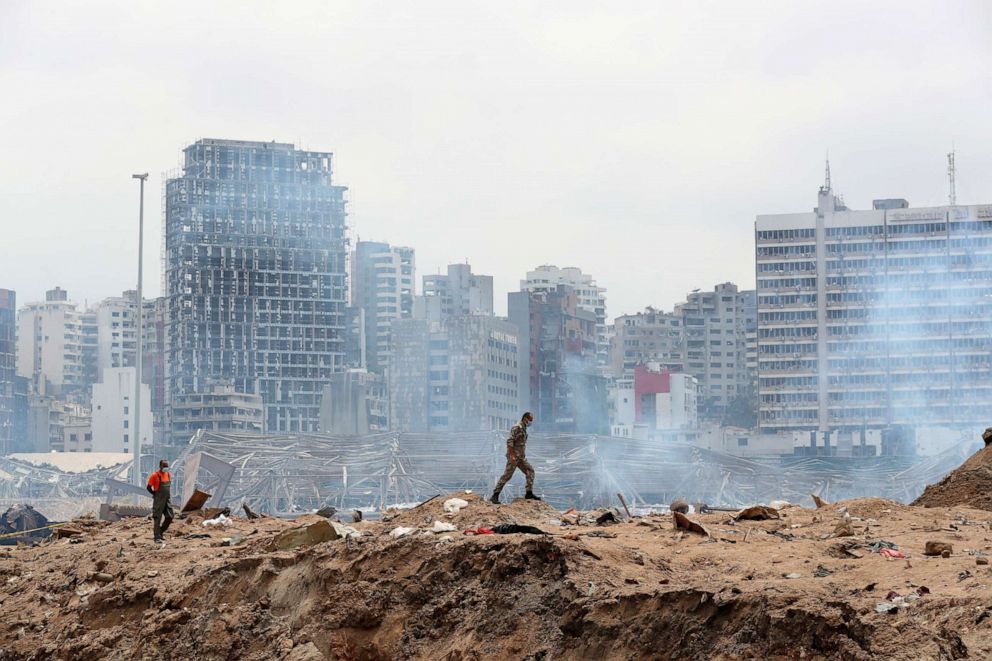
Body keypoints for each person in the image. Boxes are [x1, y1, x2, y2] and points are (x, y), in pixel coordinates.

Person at [491, 412, 540, 504]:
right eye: (530, 420)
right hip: (514, 457)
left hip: (521, 458)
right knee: (507, 476)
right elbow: (510, 441)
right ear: (525, 418)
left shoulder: (524, 428)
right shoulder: (517, 427)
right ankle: (495, 495)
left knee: (530, 471)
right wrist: (512, 455)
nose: (531, 422)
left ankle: (529, 493)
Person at [146, 459, 174, 543]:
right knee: (157, 518)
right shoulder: (155, 475)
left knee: (170, 516)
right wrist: (154, 494)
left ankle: (160, 532)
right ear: (160, 466)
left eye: (166, 466)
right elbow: (148, 487)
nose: (165, 467)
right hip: (158, 500)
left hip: (167, 500)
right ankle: (157, 537)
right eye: (164, 466)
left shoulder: (168, 474)